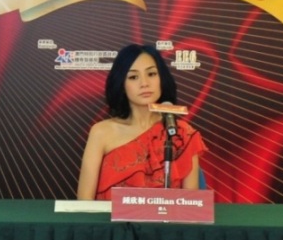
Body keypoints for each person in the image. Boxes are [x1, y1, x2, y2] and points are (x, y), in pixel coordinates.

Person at [75, 45, 204, 199]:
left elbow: (192, 205)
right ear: (122, 85)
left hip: (167, 216)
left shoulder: (181, 133)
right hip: (111, 216)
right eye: (133, 77)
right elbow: (84, 202)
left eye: (151, 74)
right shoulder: (101, 133)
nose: (144, 83)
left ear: (161, 79)